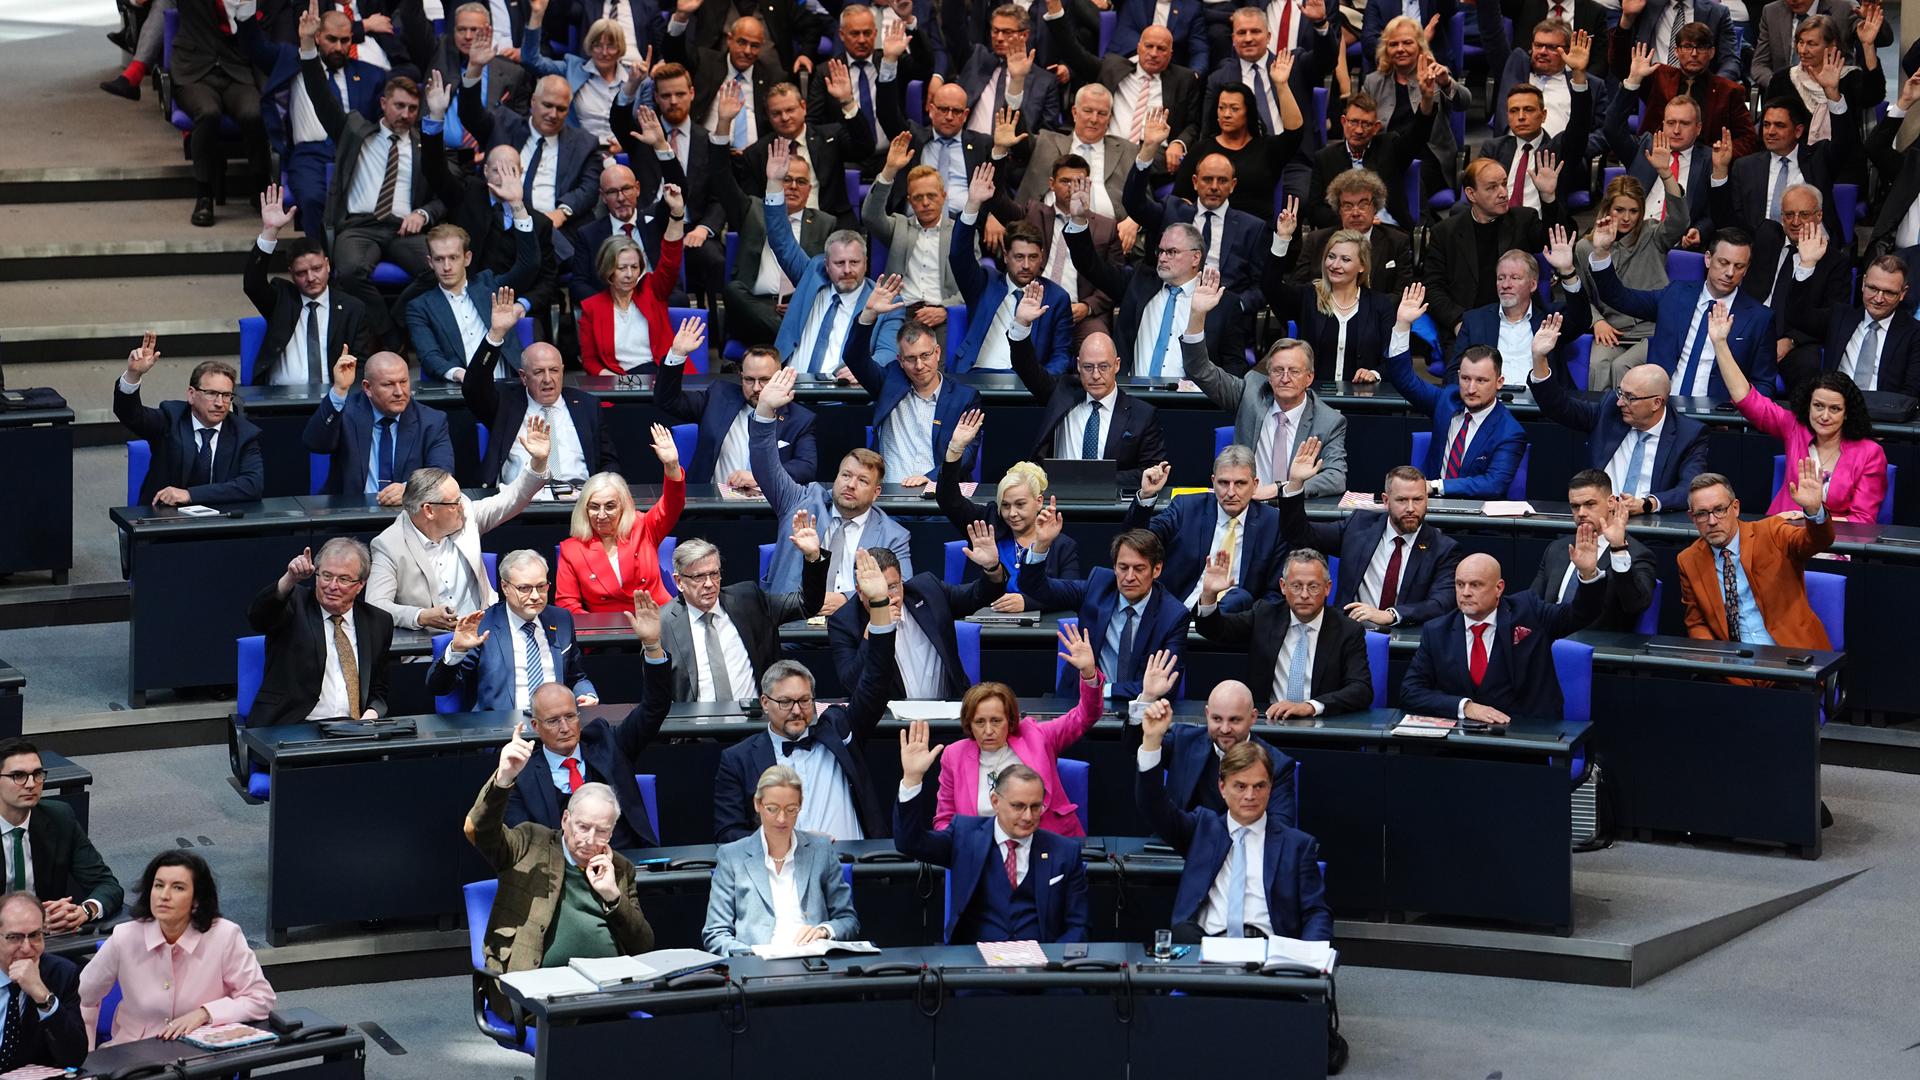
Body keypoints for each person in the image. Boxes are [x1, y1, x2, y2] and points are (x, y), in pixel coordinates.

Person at [713, 551, 898, 843]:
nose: (797, 710)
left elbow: (875, 680)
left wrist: (879, 606)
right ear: (765, 703)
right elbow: (728, 833)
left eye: (804, 700)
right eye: (786, 702)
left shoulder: (840, 729)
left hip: (852, 863)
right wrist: (790, 842)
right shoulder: (738, 759)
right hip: (781, 866)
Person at [466, 727, 653, 1013]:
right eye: (582, 827)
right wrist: (504, 778)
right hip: (537, 992)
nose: (590, 839)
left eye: (602, 831)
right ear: (565, 819)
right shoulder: (530, 843)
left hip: (606, 994)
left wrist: (613, 898)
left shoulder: (619, 869)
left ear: (612, 832)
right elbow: (481, 831)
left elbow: (643, 947)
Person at [1135, 701, 1331, 941]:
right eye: (1240, 786)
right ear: (1222, 788)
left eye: (1259, 786)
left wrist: (1309, 955)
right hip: (1206, 946)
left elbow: (1316, 913)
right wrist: (1152, 741)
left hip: (1266, 948)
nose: (1250, 795)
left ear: (1270, 788)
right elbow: (1153, 805)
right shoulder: (1201, 829)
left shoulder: (1296, 845)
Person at [301, 17, 441, 343]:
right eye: (399, 106)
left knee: (441, 270)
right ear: (383, 104)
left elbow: (447, 192)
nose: (405, 114)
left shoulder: (424, 145)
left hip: (404, 228)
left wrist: (423, 214)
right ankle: (391, 336)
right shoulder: (354, 131)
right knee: (350, 272)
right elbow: (320, 95)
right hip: (359, 227)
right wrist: (308, 47)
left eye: (412, 109)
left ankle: (394, 324)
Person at [491, 603, 673, 850]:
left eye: (571, 716)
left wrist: (652, 646)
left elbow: (655, 707)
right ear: (535, 725)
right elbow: (521, 846)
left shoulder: (609, 744)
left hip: (624, 861)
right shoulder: (522, 774)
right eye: (553, 721)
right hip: (559, 869)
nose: (565, 727)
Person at [894, 721, 1090, 944]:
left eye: (1035, 807)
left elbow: (1079, 926)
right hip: (975, 960)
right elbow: (910, 843)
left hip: (1042, 961)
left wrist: (1051, 960)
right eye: (1018, 806)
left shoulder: (1065, 852)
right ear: (995, 801)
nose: (1028, 816)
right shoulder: (965, 837)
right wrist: (912, 780)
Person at [1708, 302, 1888, 522]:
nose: (1824, 416)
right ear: (1808, 405)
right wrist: (1720, 344)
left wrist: (1813, 518)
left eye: (1835, 409)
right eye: (1818, 406)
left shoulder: (1870, 453)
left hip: (1833, 540)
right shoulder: (1795, 428)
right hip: (1782, 533)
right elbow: (1746, 399)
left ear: (1847, 413)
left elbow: (1863, 521)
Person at [365, 417, 549, 632]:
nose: (462, 506)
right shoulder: (389, 545)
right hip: (431, 640)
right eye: (455, 503)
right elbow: (376, 605)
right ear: (429, 510)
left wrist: (538, 462)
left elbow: (512, 498)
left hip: (484, 631)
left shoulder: (467, 515)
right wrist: (421, 616)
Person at [1402, 539, 1613, 723]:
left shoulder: (1529, 612)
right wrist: (1465, 707)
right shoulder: (1437, 631)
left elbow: (1580, 614)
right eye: (1460, 584)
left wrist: (1587, 574)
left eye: (1475, 585)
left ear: (1499, 588)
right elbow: (1410, 691)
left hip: (1526, 736)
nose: (1465, 593)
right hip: (1462, 742)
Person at [79, 851, 276, 1045]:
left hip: (200, 1054)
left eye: (178, 888)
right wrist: (86, 1055)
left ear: (196, 900)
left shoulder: (225, 936)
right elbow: (83, 997)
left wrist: (205, 1013)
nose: (164, 896)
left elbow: (261, 999)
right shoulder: (125, 936)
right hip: (132, 1053)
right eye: (158, 885)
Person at [1530, 303, 1710, 514]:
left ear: (1656, 403)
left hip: (1650, 523)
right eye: (1620, 393)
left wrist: (1647, 504)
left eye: (1630, 398)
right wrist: (1539, 358)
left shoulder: (1689, 434)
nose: (1620, 402)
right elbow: (1558, 407)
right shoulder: (1609, 411)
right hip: (1599, 519)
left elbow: (1690, 488)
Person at [416, 76, 567, 322]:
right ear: (485, 171)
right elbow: (434, 169)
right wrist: (436, 116)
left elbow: (546, 279)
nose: (503, 177)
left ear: (520, 173)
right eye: (497, 169)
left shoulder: (538, 223)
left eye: (511, 170)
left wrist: (522, 306)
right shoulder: (466, 194)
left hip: (510, 308)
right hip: (459, 301)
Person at [751, 367, 912, 595]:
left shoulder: (893, 535)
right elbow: (765, 467)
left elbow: (899, 590)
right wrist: (765, 411)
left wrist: (846, 600)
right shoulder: (800, 502)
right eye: (846, 475)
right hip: (792, 613)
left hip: (853, 616)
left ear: (876, 492)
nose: (851, 484)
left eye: (862, 481)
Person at [930, 624, 1103, 836]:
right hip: (982, 849)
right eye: (979, 722)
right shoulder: (954, 756)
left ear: (1010, 720)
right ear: (969, 724)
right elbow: (944, 820)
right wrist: (962, 848)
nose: (988, 730)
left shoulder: (1037, 736)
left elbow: (1085, 716)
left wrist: (1088, 673)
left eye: (996, 721)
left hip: (1045, 843)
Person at [1277, 438, 1463, 628]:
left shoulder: (1443, 548)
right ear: (1386, 500)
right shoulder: (1359, 526)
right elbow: (1299, 534)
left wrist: (1391, 615)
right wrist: (1295, 483)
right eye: (1402, 500)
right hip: (1349, 632)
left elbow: (1441, 603)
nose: (1410, 508)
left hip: (1406, 635)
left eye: (1418, 500)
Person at [1586, 216, 1776, 399]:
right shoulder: (1675, 295)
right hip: (1662, 406)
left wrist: (1739, 413)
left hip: (1718, 414)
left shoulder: (1759, 318)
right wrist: (1602, 253)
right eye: (1723, 262)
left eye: (1739, 266)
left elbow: (1764, 382)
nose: (1730, 272)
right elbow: (1620, 298)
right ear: (1708, 259)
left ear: (1747, 269)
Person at [1065, 183, 1239, 379]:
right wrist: (1078, 220)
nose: (1162, 258)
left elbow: (1234, 367)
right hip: (1133, 394)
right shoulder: (1138, 283)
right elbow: (1090, 265)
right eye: (1160, 251)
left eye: (1171, 252)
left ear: (1195, 258)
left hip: (1191, 397)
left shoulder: (1222, 303)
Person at [1181, 295, 1348, 498]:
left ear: (1309, 377)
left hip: (1293, 508)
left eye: (1294, 371)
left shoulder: (1329, 421)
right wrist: (1197, 315)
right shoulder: (1250, 394)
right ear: (1268, 376)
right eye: (1278, 370)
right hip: (1247, 506)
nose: (1285, 378)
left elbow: (1336, 477)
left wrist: (1283, 488)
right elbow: (1199, 369)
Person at [1002, 286, 1167, 489]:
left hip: (1112, 504)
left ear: (1116, 365)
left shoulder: (1142, 414)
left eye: (1103, 367)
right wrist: (1022, 324)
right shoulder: (1061, 393)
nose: (1096, 375)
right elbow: (1026, 367)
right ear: (1078, 365)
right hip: (1056, 499)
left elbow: (1152, 471)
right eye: (1088, 367)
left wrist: (1094, 479)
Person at [1020, 513, 1190, 700]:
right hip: (1078, 703)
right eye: (1123, 568)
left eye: (1139, 569)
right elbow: (1036, 588)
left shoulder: (1173, 615)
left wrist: (1101, 690)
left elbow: (1165, 683)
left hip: (1140, 707)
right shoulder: (1097, 587)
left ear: (1156, 569)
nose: (1129, 577)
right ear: (1114, 567)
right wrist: (1042, 545)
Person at [1384, 285, 1530, 498]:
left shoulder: (1510, 431)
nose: (1471, 389)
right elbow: (1404, 379)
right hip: (1428, 512)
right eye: (1465, 378)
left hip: (1475, 516)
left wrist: (1436, 486)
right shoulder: (1447, 400)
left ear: (1499, 382)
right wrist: (1402, 325)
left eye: (1481, 381)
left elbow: (1493, 484)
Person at [1193, 546, 1375, 717]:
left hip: (1321, 726)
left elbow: (1361, 689)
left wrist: (1310, 706)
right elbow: (1215, 630)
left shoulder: (1347, 630)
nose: (1304, 594)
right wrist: (1209, 595)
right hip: (1267, 722)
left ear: (1327, 588)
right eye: (1296, 586)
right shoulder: (1264, 615)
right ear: (1283, 586)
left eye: (1313, 586)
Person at [660, 519, 830, 702]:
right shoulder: (663, 624)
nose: (709, 584)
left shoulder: (748, 600)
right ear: (679, 582)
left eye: (714, 574)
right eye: (698, 577)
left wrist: (813, 558)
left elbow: (806, 604)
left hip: (755, 717)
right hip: (696, 720)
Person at [463, 296, 620, 491]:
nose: (547, 379)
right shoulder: (506, 403)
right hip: (521, 499)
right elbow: (473, 387)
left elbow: (608, 462)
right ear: (523, 377)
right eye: (538, 372)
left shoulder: (587, 405)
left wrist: (601, 491)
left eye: (553, 370)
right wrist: (496, 334)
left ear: (562, 371)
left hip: (578, 498)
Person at [827, 532, 1008, 701]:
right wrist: (876, 628)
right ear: (859, 591)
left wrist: (992, 568)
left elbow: (977, 595)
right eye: (876, 589)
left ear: (902, 582)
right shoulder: (843, 623)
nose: (887, 596)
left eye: (892, 586)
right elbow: (852, 685)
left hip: (948, 712)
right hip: (888, 720)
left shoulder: (928, 590)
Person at [458, 45, 606, 251]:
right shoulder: (503, 124)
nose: (553, 115)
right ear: (533, 102)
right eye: (548, 105)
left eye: (561, 109)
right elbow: (470, 114)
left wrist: (561, 213)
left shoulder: (584, 143)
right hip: (502, 227)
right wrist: (474, 68)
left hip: (555, 229)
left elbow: (589, 189)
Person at [703, 765, 861, 956]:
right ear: (757, 804)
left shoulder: (822, 850)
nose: (781, 818)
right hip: (757, 965)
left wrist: (824, 931)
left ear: (800, 806)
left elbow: (848, 920)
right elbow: (715, 933)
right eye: (772, 809)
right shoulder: (731, 856)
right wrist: (750, 955)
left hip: (813, 961)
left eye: (791, 809)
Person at [844, 275, 984, 485]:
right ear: (900, 360)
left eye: (925, 355)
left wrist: (929, 479)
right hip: (889, 494)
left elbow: (967, 455)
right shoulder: (888, 382)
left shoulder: (964, 397)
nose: (919, 365)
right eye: (910, 358)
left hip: (938, 493)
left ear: (937, 352)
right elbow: (854, 358)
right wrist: (869, 314)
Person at [1420, 156, 1570, 349]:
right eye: (1492, 187)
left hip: (1520, 326)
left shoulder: (1523, 220)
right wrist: (1458, 322)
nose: (1503, 193)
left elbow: (1558, 242)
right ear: (1471, 194)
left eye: (1504, 184)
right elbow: (1433, 288)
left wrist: (1548, 198)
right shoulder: (1445, 233)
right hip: (1469, 326)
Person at [1677, 467, 1836, 648]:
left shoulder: (1771, 532)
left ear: (1735, 508)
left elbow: (1817, 542)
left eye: (1719, 510)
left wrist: (1814, 511)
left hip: (1791, 655)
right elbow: (1697, 623)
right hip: (1735, 661)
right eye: (1702, 514)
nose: (1712, 521)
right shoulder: (1689, 560)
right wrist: (1714, 659)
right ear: (1692, 517)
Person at [425, 549, 600, 712]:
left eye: (541, 586)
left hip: (554, 723)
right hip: (501, 727)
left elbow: (575, 677)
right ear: (505, 587)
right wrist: (457, 650)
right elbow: (438, 687)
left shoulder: (561, 620)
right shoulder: (482, 625)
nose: (535, 596)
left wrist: (586, 694)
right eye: (524, 588)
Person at [936, 425, 1084, 613]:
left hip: (1040, 628)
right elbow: (949, 500)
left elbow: (1072, 596)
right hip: (987, 622)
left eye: (1020, 504)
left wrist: (1028, 603)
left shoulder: (1062, 546)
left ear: (1039, 502)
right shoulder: (989, 522)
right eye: (1005, 505)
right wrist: (955, 450)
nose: (1012, 513)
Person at [246, 539, 394, 726]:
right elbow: (258, 617)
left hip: (354, 729)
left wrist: (371, 715)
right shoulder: (294, 603)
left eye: (344, 579)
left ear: (360, 584)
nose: (332, 586)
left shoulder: (378, 622)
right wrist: (289, 579)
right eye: (326, 576)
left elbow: (378, 689)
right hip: (293, 727)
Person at [758, 140, 876, 374]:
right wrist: (774, 183)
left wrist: (865, 370)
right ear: (827, 265)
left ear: (866, 263)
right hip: (790, 386)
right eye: (839, 263)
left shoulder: (879, 301)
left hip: (844, 390)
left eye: (854, 262)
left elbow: (887, 350)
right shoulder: (811, 275)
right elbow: (781, 241)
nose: (847, 270)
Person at [1124, 109, 1268, 299]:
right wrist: (1148, 150)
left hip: (1223, 307)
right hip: (1172, 301)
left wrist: (1238, 306)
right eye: (1207, 179)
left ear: (1233, 185)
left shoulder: (1252, 228)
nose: (1214, 187)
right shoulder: (1171, 211)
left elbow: (1261, 286)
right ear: (1195, 182)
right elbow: (1134, 204)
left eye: (1222, 180)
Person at [1129, 659, 1297, 822]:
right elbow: (1136, 748)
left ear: (1253, 717)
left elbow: (1280, 826)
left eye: (1234, 720)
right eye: (1217, 719)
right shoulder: (1182, 741)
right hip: (1183, 838)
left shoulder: (1277, 765)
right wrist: (1147, 699)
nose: (1225, 729)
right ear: (1207, 714)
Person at [1127, 445, 1284, 612]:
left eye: (1240, 483)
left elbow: (1274, 593)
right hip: (1182, 612)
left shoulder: (1273, 523)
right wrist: (1146, 496)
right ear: (1213, 481)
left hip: (1237, 618)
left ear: (1255, 485)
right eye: (1223, 483)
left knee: (1238, 598)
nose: (1231, 492)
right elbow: (1137, 542)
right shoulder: (1186, 508)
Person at [656, 332, 817, 494]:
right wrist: (677, 355)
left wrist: (760, 477)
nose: (756, 388)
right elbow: (667, 400)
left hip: (767, 506)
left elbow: (806, 466)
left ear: (779, 378)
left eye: (764, 380)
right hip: (712, 502)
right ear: (741, 377)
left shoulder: (800, 418)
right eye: (749, 380)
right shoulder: (719, 397)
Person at [950, 169, 1075, 376]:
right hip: (977, 376)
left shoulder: (1057, 298)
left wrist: (1040, 383)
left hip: (1026, 383)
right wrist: (972, 205)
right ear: (1006, 256)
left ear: (1042, 256)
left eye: (1032, 257)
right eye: (1019, 257)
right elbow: (958, 255)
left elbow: (1062, 355)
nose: (1026, 265)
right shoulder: (984, 283)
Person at [113, 339, 264, 508]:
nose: (220, 403)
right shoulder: (170, 419)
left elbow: (252, 486)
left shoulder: (243, 433)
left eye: (226, 395)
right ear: (191, 394)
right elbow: (131, 415)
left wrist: (190, 495)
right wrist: (133, 375)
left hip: (219, 519)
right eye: (211, 393)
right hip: (165, 517)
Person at [247, 185, 374, 386]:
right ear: (291, 273)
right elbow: (252, 284)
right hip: (278, 397)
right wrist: (270, 232)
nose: (311, 277)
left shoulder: (352, 308)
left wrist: (341, 395)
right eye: (301, 273)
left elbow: (361, 364)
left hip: (334, 395)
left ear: (328, 265)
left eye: (316, 268)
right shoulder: (282, 299)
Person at [1574, 174, 1691, 388]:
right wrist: (1597, 321)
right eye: (1619, 210)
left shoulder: (1652, 234)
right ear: (1607, 208)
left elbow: (1679, 221)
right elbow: (1581, 295)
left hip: (1653, 329)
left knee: (1623, 366)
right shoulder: (1585, 248)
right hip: (1612, 328)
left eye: (1634, 211)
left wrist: (1666, 175)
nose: (1626, 218)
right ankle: (1599, 411)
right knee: (1598, 365)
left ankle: (1627, 411)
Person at [1265, 201, 1402, 383]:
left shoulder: (1380, 305)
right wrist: (1282, 238)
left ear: (1362, 266)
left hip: (1362, 397)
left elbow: (1394, 359)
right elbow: (1270, 287)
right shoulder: (1308, 297)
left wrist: (1375, 374)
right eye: (1331, 257)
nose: (1335, 265)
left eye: (1345, 259)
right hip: (1314, 396)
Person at [405, 206, 541, 383]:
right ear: (430, 262)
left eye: (453, 257)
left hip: (508, 386)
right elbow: (429, 356)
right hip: (460, 389)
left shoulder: (489, 286)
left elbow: (528, 265)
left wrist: (517, 206)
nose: (446, 267)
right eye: (439, 259)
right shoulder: (419, 307)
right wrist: (461, 375)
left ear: (467, 258)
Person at [303, 348, 456, 504]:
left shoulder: (431, 421)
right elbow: (315, 444)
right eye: (388, 384)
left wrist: (409, 490)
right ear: (368, 388)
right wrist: (339, 390)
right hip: (350, 514)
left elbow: (441, 474)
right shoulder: (347, 413)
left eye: (403, 382)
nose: (399, 392)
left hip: (407, 514)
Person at [0, 739, 122, 929]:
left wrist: (83, 911)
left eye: (37, 774)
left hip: (48, 936)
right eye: (18, 775)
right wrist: (27, 921)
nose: (31, 784)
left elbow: (107, 885)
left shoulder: (60, 818)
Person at [555, 439, 685, 613]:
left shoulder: (644, 526)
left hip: (658, 619)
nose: (601, 515)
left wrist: (672, 466)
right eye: (594, 507)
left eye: (610, 506)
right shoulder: (571, 550)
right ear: (584, 509)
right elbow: (567, 604)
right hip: (606, 627)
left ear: (623, 506)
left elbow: (672, 504)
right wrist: (595, 628)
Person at [172, 0, 270, 226]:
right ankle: (204, 195)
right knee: (208, 113)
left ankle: (260, 187)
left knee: (254, 113)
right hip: (194, 71)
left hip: (237, 69)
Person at [1446, 234, 1591, 386]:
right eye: (1501, 278)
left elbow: (1582, 320)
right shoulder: (1475, 320)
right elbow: (1453, 372)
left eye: (1515, 278)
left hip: (1541, 399)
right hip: (1491, 398)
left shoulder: (1550, 318)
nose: (1505, 285)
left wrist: (1567, 272)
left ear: (1533, 285)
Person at [1757, 13, 1883, 184]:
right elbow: (1766, 126)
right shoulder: (1782, 79)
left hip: (1842, 165)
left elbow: (1874, 95)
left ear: (1831, 46)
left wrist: (1867, 46)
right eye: (1800, 42)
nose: (1803, 50)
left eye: (1812, 44)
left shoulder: (1849, 77)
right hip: (1793, 163)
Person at [1782, 240, 1920, 397]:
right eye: (1873, 288)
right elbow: (1798, 317)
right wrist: (1806, 266)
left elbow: (1911, 392)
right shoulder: (1840, 317)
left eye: (1889, 292)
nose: (1878, 299)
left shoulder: (1914, 333)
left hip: (1885, 410)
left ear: (1903, 293)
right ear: (1863, 283)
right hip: (1835, 407)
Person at [861, 139, 966, 344]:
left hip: (939, 315)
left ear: (943, 196)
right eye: (918, 197)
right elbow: (870, 215)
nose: (925, 203)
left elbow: (972, 283)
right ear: (910, 201)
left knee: (933, 363)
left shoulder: (960, 233)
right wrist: (889, 170)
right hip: (898, 312)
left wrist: (946, 310)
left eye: (931, 196)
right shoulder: (899, 226)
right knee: (887, 361)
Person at [1528, 471, 1660, 631]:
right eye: (1575, 506)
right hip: (1549, 639)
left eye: (1590, 504)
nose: (1581, 513)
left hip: (1596, 643)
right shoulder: (1557, 548)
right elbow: (1532, 603)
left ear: (1611, 502)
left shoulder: (1637, 553)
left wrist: (1618, 549)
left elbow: (1635, 605)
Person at [1305, 81, 1441, 233]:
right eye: (1353, 122)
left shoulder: (1389, 146)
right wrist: (1348, 221)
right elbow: (1314, 209)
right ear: (1343, 122)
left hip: (1387, 230)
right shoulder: (1325, 158)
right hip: (1343, 233)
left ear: (1376, 128)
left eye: (1366, 124)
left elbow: (1417, 136)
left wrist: (1427, 99)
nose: (1359, 130)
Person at [578, 190, 687, 375]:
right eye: (622, 268)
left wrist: (677, 214)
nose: (629, 274)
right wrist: (617, 383)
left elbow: (670, 259)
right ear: (608, 269)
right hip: (622, 379)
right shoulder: (592, 307)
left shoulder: (653, 290)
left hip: (661, 374)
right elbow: (590, 361)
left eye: (635, 267)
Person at [1172, 76, 1304, 226]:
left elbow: (1295, 133)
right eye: (1221, 108)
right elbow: (1180, 198)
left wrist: (1281, 85)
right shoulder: (1201, 150)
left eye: (1234, 109)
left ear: (1248, 112)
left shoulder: (1267, 148)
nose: (1226, 114)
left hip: (1254, 232)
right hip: (1209, 231)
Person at [1610, 30, 1758, 164]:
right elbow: (1619, 66)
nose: (1694, 53)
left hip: (1704, 167)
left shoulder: (1729, 91)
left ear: (1712, 52)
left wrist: (1719, 155)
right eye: (1687, 47)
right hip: (1656, 158)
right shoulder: (1659, 76)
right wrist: (1625, 23)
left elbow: (1749, 139)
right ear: (1676, 51)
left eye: (1701, 47)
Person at [1707, 99, 1851, 235]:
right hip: (1761, 247)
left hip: (1813, 243)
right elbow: (1727, 221)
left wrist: (1834, 97)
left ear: (1798, 131)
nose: (1770, 132)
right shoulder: (1745, 167)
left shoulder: (1818, 159)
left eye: (1779, 125)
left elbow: (1844, 141)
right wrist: (1720, 170)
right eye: (1766, 125)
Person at [517, 0, 633, 148]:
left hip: (624, 153)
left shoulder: (634, 80)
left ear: (620, 49)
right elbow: (530, 60)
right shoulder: (571, 69)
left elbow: (641, 124)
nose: (604, 53)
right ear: (589, 47)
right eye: (597, 45)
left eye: (611, 46)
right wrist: (537, 16)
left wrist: (626, 144)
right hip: (580, 151)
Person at [1285, 168, 1416, 297]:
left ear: (1375, 207)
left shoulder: (1397, 241)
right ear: (1339, 210)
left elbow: (1403, 294)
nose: (1355, 213)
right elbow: (1296, 288)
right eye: (1348, 206)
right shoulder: (1316, 240)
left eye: (1363, 205)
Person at [0, 892, 85, 1068]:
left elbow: (74, 1057)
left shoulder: (61, 974)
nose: (26, 948)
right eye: (14, 937)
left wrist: (43, 996)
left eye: (34, 935)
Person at [1752, 0, 1891, 84]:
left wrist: (1870, 18)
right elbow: (1759, 64)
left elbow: (1882, 39)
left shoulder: (1844, 8)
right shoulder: (1771, 11)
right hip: (1785, 99)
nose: (1792, 0)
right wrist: (1778, 85)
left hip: (1833, 94)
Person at [1612, 0, 1740, 81]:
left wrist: (1714, 87)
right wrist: (1627, 19)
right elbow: (1618, 64)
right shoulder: (1644, 6)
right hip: (1652, 90)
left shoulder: (1717, 12)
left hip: (1700, 92)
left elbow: (1730, 60)